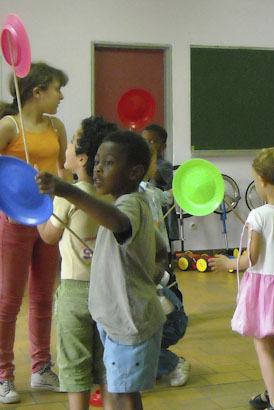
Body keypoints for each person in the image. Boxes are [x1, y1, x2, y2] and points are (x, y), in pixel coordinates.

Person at [35, 130, 167, 410]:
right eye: (97, 161)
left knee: (123, 395)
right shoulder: (132, 202)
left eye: (108, 163)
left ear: (134, 172)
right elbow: (160, 248)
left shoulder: (129, 204)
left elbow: (119, 223)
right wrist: (152, 271)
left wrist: (66, 189)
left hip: (129, 321)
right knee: (123, 393)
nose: (97, 168)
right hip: (123, 319)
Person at [210, 147, 274, 410]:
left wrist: (227, 264)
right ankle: (271, 394)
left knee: (262, 342)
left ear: (263, 181)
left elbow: (251, 259)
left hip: (264, 288)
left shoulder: (259, 215)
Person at [0, 62, 70, 403]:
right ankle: (3, 375)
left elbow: (63, 174)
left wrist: (70, 212)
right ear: (37, 92)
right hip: (14, 221)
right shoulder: (7, 126)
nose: (61, 96)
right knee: (8, 302)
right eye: (56, 88)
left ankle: (42, 369)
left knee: (44, 298)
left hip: (49, 218)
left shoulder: (57, 126)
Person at [36, 116, 117, 410]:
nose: (66, 147)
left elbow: (47, 235)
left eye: (70, 143)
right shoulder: (110, 195)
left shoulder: (67, 197)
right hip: (109, 292)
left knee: (75, 368)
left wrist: (37, 208)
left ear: (82, 157)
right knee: (108, 365)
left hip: (75, 293)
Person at [139, 148, 190, 387]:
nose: (156, 165)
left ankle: (169, 361)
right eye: (151, 161)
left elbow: (169, 197)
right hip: (149, 266)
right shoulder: (134, 196)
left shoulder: (150, 190)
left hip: (156, 266)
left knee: (146, 325)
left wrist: (191, 185)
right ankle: (155, 358)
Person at [142, 124, 179, 250]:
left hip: (163, 213)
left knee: (163, 243)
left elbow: (157, 177)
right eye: (144, 141)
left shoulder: (165, 165)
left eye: (152, 141)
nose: (147, 145)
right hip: (148, 215)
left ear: (163, 146)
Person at [155, 271, 190, 387]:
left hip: (170, 323)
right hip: (166, 321)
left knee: (140, 348)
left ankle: (176, 364)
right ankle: (154, 367)